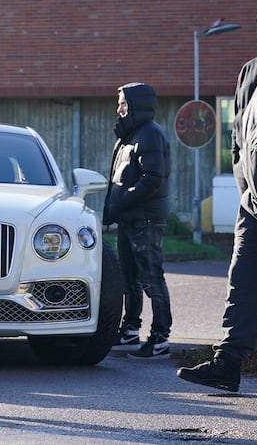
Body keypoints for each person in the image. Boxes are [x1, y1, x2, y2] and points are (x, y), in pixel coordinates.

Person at [178, 5, 257, 393]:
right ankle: (227, 365)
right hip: (254, 203)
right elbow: (239, 131)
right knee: (243, 283)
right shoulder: (252, 71)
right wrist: (242, 181)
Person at [103, 82, 173, 359]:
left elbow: (153, 178)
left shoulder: (150, 135)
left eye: (122, 103)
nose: (118, 108)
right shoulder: (129, 135)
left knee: (151, 278)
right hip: (129, 218)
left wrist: (125, 200)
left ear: (136, 105)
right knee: (128, 278)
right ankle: (130, 329)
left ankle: (160, 338)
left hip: (145, 220)